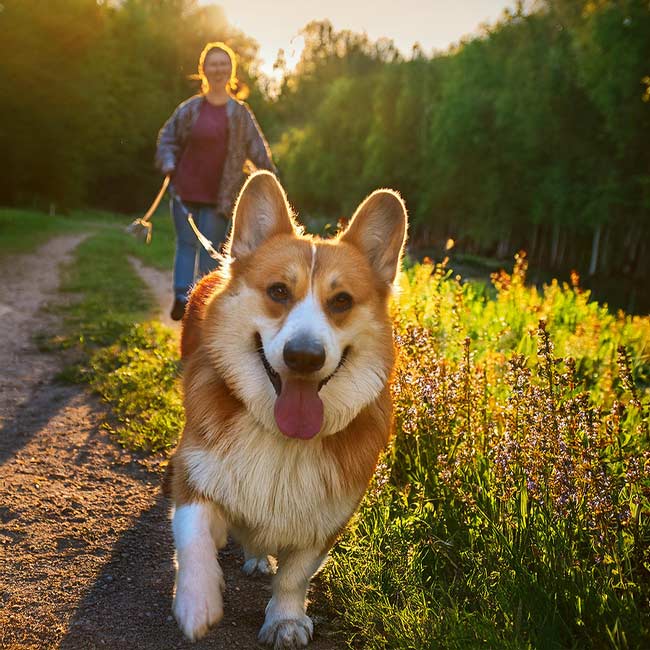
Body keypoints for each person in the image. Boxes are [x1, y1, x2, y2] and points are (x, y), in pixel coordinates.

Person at [156, 42, 276, 320]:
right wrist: (169, 163)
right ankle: (181, 297)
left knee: (211, 250)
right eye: (213, 64)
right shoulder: (190, 109)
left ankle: (202, 305)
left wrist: (271, 184)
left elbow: (258, 150)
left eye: (224, 64)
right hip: (184, 190)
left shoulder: (240, 113)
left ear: (231, 70)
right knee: (186, 244)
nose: (218, 69)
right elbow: (167, 138)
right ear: (204, 70)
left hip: (220, 197)